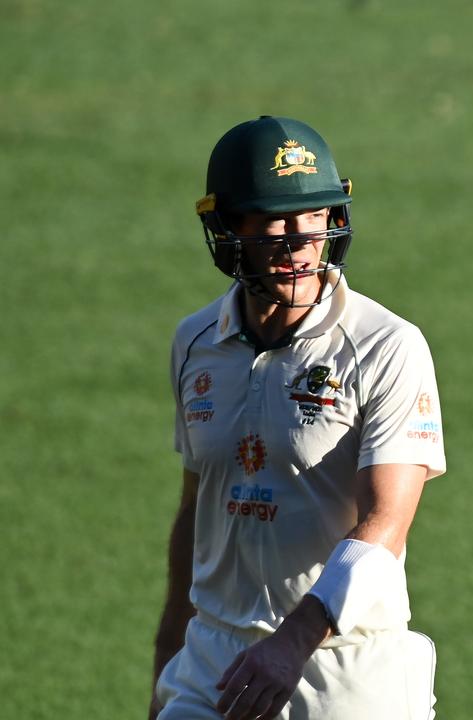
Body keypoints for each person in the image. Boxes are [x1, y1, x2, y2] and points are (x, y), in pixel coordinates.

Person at [150, 116, 445, 720]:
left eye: (314, 216)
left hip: (345, 666)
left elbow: (387, 520)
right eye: (273, 219)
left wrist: (292, 641)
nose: (299, 239)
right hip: (212, 662)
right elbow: (195, 508)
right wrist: (168, 662)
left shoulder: (387, 345)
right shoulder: (195, 342)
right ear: (226, 227)